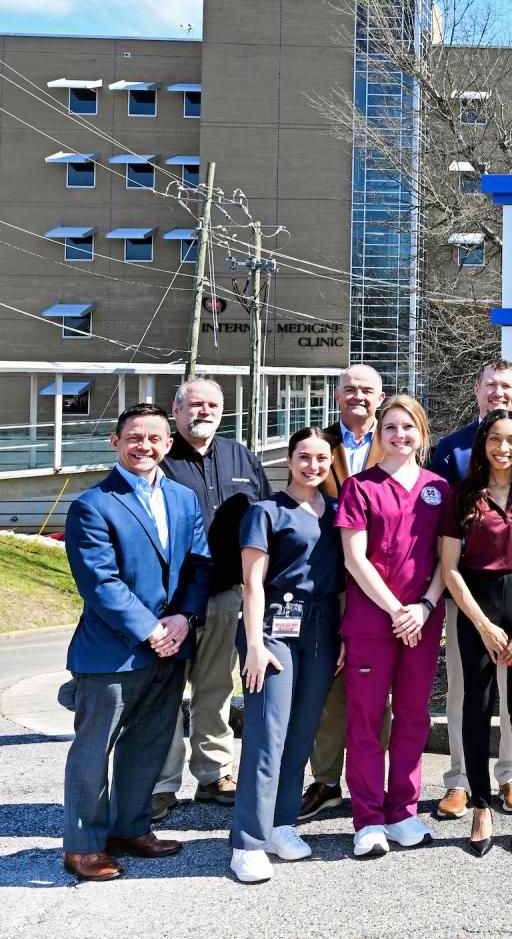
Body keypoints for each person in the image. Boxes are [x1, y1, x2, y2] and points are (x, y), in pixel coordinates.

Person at [61, 404, 213, 882]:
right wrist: (152, 629)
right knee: (93, 750)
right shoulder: (93, 503)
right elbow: (100, 582)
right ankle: (83, 846)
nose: (143, 446)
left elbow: (200, 565)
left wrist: (184, 619)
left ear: (169, 445)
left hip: (172, 643)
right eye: (134, 437)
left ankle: (130, 829)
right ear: (115, 442)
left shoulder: (184, 498)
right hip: (114, 651)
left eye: (154, 438)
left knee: (147, 744)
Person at [429, 359, 512, 820]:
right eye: (490, 385)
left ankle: (509, 777)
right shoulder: (450, 449)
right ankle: (462, 781)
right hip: (468, 589)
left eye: (506, 386)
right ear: (477, 390)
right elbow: (441, 525)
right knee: (467, 694)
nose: (498, 393)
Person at [335, 395, 450, 857]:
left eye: (409, 427)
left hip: (423, 620)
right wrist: (396, 610)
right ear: (379, 436)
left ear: (422, 434)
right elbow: (354, 557)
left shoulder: (440, 488)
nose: (400, 435)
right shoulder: (360, 488)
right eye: (391, 428)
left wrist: (423, 606)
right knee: (364, 720)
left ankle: (403, 811)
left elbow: (447, 558)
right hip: (371, 623)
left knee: (413, 716)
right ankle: (367, 819)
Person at [230, 427, 346, 883]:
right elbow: (253, 583)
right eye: (304, 456)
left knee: (302, 731)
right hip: (274, 625)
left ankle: (281, 824)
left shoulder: (338, 512)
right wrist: (255, 643)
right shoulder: (265, 512)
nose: (313, 465)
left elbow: (341, 583)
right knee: (266, 732)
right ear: (289, 460)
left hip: (321, 629)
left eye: (321, 458)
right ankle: (248, 841)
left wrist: (343, 639)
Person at [153, 378, 272, 821]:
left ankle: (213, 773)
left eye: (212, 405)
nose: (203, 411)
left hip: (225, 595)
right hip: (169, 601)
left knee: (216, 689)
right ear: (177, 409)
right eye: (194, 404)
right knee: (164, 691)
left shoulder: (240, 456)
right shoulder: (160, 457)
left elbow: (264, 518)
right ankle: (161, 785)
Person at [301, 363, 386, 822]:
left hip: (383, 584)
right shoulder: (318, 446)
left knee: (379, 692)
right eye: (349, 388)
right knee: (329, 688)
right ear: (336, 395)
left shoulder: (397, 439)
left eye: (367, 389)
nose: (358, 396)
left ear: (380, 395)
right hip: (327, 580)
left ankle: (377, 782)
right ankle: (327, 781)